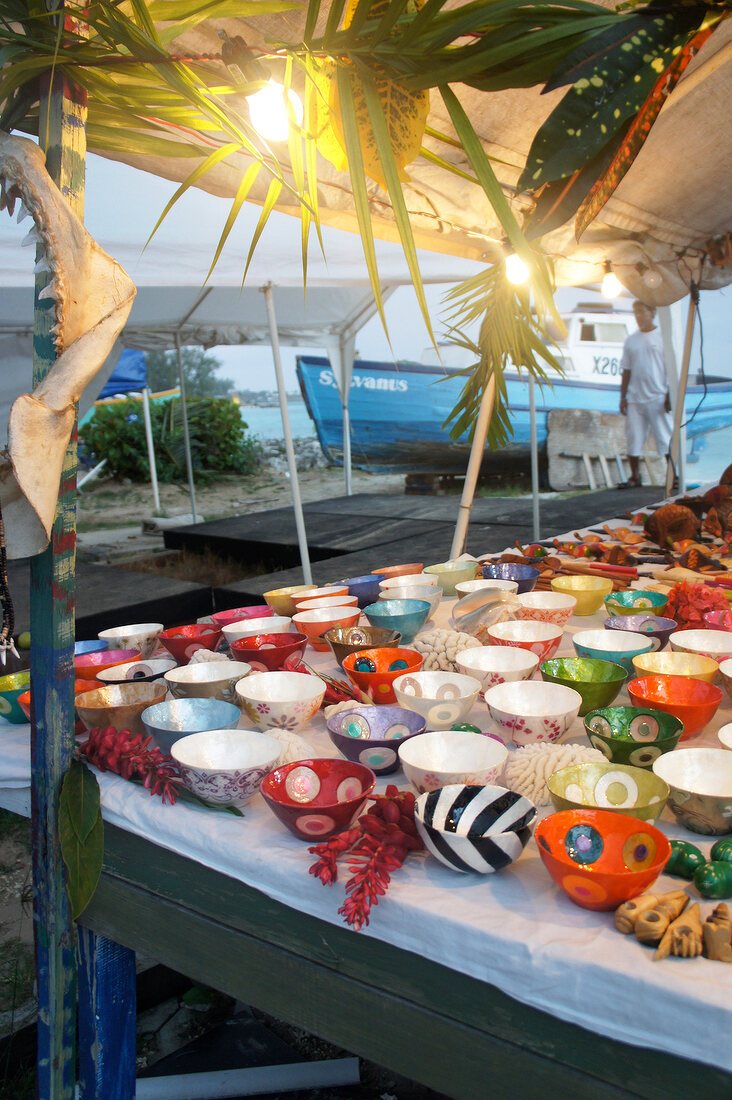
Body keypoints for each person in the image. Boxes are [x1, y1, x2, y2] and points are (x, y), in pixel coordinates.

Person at [619, 300, 674, 489]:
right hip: (635, 397)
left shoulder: (663, 337)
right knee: (633, 436)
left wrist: (669, 394)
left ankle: (673, 476)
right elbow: (626, 370)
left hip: (658, 396)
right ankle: (635, 477)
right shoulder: (631, 340)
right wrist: (622, 396)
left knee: (665, 437)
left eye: (642, 312)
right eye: (636, 313)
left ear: (652, 312)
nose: (639, 317)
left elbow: (672, 368)